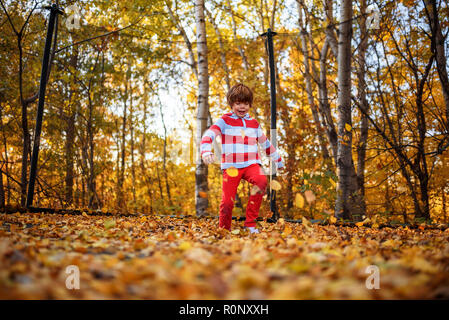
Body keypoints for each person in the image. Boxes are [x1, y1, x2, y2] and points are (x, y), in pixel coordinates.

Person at [200, 83, 284, 234]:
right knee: (227, 202)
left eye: (245, 103)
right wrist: (206, 151)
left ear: (250, 104)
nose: (242, 107)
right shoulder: (224, 121)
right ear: (232, 104)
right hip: (231, 166)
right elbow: (209, 135)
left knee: (261, 180)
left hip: (251, 164)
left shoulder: (253, 124)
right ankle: (224, 229)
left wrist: (277, 159)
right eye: (238, 103)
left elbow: (265, 143)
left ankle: (250, 224)